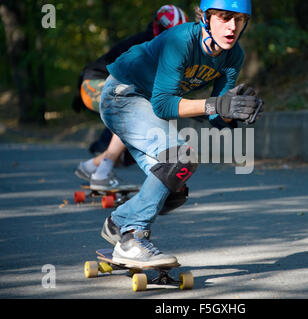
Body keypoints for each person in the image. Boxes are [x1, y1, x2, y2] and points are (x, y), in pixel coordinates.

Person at [99, 0, 263, 267]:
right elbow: (164, 105)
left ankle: (118, 223)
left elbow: (216, 117)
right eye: (224, 17)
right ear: (206, 17)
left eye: (240, 20)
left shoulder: (234, 55)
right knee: (180, 157)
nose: (232, 27)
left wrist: (235, 112)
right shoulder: (181, 40)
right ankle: (131, 237)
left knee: (173, 187)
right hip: (122, 94)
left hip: (147, 104)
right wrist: (216, 105)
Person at [73, 5, 188, 191]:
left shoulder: (159, 45)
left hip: (99, 85)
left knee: (136, 131)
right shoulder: (147, 45)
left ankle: (91, 167)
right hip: (94, 83)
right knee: (133, 110)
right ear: (158, 28)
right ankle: (102, 173)